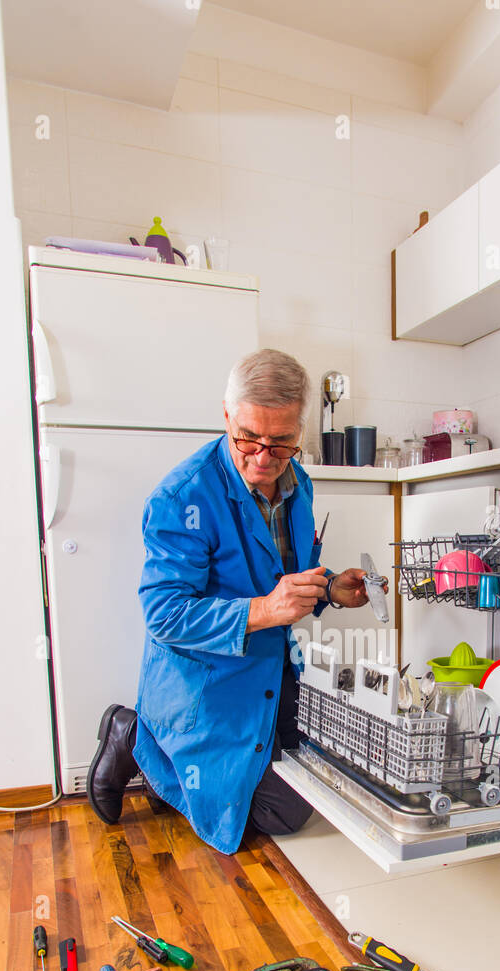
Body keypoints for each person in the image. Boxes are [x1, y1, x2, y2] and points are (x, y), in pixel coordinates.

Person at [86, 348, 380, 854]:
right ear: (226, 415)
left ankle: (168, 770)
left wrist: (329, 588)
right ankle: (135, 734)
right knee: (284, 811)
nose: (264, 458)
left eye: (282, 441)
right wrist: (266, 609)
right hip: (206, 680)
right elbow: (164, 614)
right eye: (248, 438)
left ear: (300, 432)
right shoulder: (183, 497)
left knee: (324, 770)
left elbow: (281, 572)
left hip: (268, 666)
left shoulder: (299, 484)